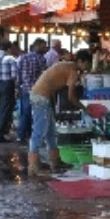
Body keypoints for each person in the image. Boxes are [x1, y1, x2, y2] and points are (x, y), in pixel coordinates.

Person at [27, 49, 93, 177]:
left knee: (51, 132)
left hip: (41, 97)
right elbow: (71, 97)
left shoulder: (66, 65)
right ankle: (33, 165)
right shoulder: (72, 71)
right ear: (80, 61)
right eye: (87, 64)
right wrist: (85, 109)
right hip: (41, 98)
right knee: (39, 132)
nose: (87, 68)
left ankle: (55, 161)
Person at [16, 38, 48, 143]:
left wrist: (19, 86)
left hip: (25, 89)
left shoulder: (22, 57)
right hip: (37, 89)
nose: (45, 49)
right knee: (36, 114)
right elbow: (44, 75)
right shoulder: (41, 59)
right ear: (37, 46)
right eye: (43, 46)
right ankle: (32, 135)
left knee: (24, 113)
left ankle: (20, 135)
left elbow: (18, 74)